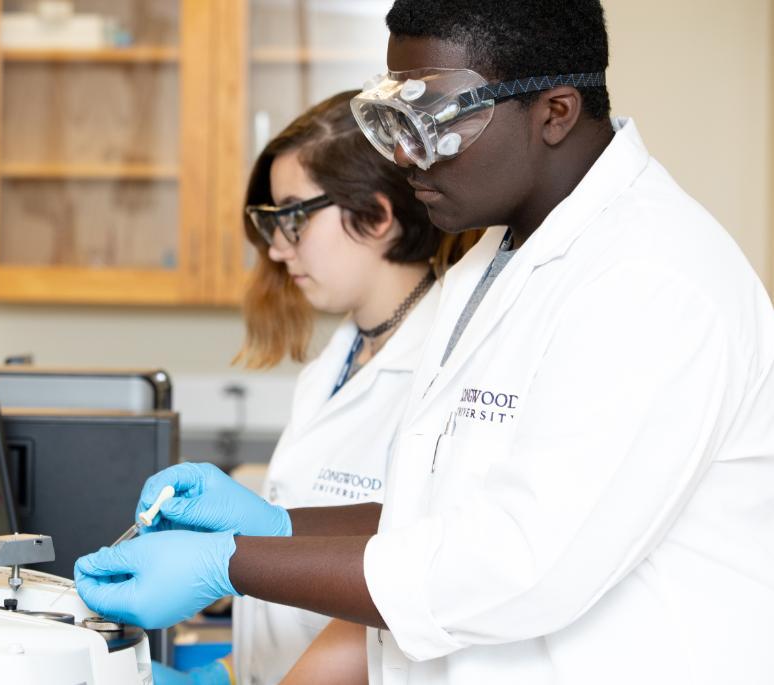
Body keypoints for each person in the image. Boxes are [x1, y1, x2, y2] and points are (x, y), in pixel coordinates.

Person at [75, 2, 774, 684]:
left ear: (554, 113)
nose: (407, 157)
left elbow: (514, 564)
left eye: (439, 121)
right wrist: (279, 523)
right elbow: (438, 513)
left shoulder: (653, 279)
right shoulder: (492, 260)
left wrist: (229, 562)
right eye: (396, 121)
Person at [151, 92, 471, 685]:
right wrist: (227, 673)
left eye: (293, 217)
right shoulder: (337, 359)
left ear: (376, 217)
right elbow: (289, 609)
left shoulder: (450, 370)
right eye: (270, 222)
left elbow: (397, 588)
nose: (275, 248)